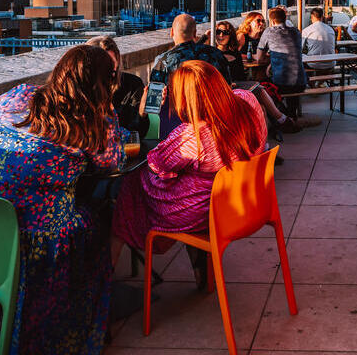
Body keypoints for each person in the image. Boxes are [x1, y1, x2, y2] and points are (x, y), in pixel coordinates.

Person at [0, 46, 124, 354]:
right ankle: (59, 328)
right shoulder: (94, 119)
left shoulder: (14, 95)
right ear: (103, 82)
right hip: (29, 239)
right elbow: (112, 165)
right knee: (93, 222)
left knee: (13, 225)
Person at [112, 61, 267, 287]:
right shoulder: (247, 99)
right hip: (247, 202)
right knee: (189, 179)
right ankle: (200, 265)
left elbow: (157, 162)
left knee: (130, 188)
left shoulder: (193, 136)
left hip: (208, 211)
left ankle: (107, 272)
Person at [150, 14, 233, 139]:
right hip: (216, 126)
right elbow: (228, 88)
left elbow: (153, 104)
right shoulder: (215, 54)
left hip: (177, 131)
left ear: (172, 32)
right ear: (194, 33)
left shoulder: (163, 61)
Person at [87, 35, 147, 137]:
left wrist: (142, 113)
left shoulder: (132, 84)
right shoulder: (82, 88)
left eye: (112, 61)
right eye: (103, 63)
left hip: (122, 149)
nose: (109, 67)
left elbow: (137, 135)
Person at [256, 7, 308, 118]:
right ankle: (291, 114)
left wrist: (271, 60)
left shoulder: (269, 32)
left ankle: (281, 115)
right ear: (285, 18)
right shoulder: (296, 31)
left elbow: (259, 58)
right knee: (290, 79)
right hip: (301, 82)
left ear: (272, 21)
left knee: (263, 84)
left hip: (282, 84)